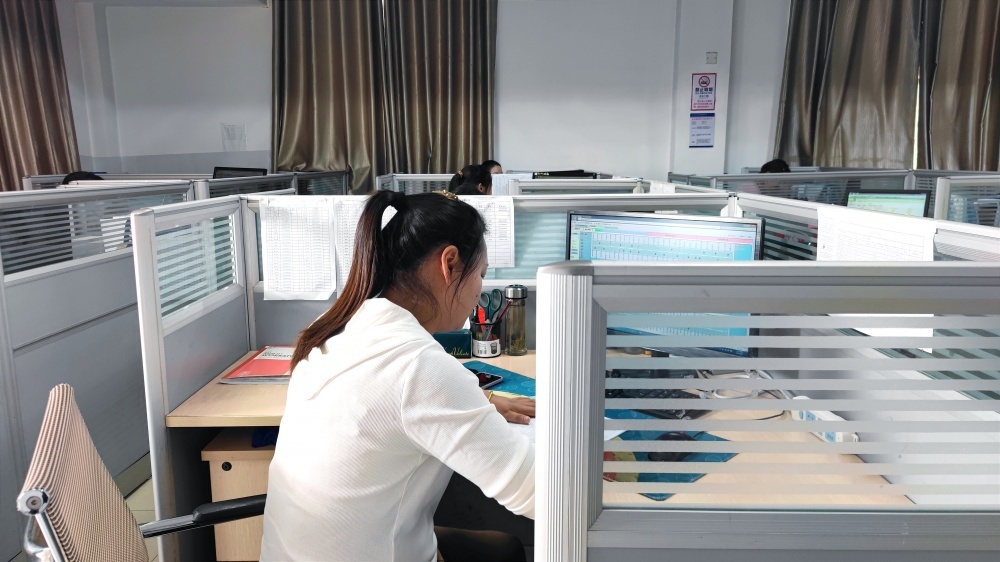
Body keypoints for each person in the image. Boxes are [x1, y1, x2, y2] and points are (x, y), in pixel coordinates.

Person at [260, 190, 534, 562]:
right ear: (450, 263)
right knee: (508, 547)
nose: (478, 293)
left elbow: (393, 392)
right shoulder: (418, 367)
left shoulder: (336, 326)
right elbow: (537, 493)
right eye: (481, 275)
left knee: (500, 548)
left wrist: (480, 399)